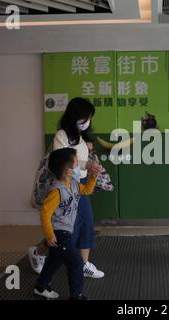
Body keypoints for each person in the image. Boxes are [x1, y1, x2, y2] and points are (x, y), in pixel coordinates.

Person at [28, 97, 105, 279]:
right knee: (63, 232)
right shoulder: (62, 136)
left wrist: (89, 163)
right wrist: (87, 165)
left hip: (78, 188)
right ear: (75, 117)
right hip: (63, 190)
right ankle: (38, 253)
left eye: (89, 118)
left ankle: (84, 264)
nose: (88, 122)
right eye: (85, 118)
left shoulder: (81, 136)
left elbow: (81, 159)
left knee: (85, 225)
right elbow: (61, 162)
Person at [34, 148, 97, 300]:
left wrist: (93, 176)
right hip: (59, 234)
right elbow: (45, 213)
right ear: (68, 171)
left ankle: (40, 287)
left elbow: (86, 191)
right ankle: (76, 295)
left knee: (54, 262)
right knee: (76, 263)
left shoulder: (73, 184)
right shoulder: (56, 191)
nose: (78, 167)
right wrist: (49, 235)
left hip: (65, 233)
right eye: (76, 164)